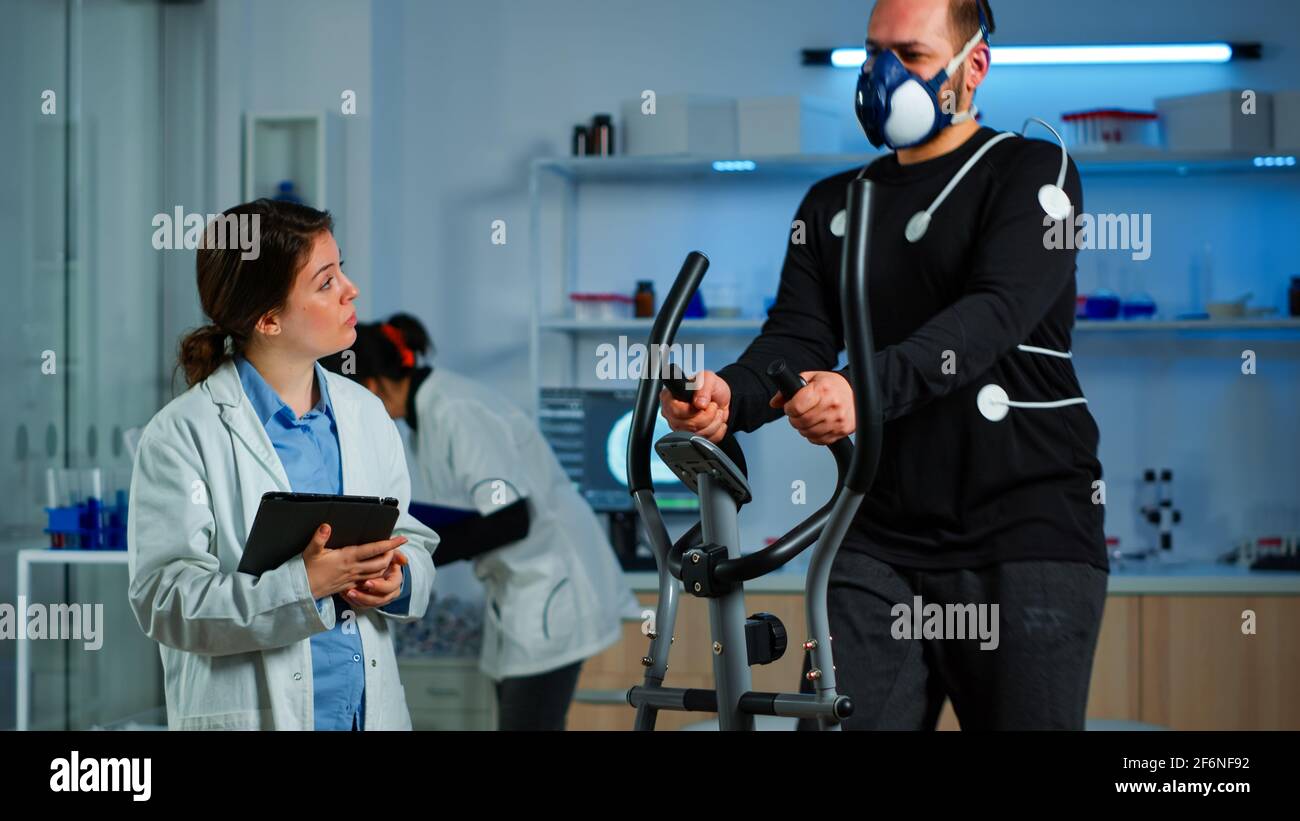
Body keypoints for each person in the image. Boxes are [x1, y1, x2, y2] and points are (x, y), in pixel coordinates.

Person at [660, 0, 1108, 730]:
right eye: (873, 53)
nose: (883, 74)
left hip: (1025, 529)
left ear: (975, 67)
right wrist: (727, 396)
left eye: (913, 54)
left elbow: (992, 314)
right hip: (877, 534)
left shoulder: (1031, 172)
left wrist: (861, 392)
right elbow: (795, 341)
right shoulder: (835, 203)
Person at [127, 199, 438, 730]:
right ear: (269, 319)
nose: (350, 289)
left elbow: (411, 537)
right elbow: (165, 601)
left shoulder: (365, 413)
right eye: (325, 281)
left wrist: (398, 578)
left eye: (341, 268)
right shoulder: (183, 433)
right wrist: (303, 585)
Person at [321, 315, 638, 731]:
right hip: (518, 589)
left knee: (528, 722)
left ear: (374, 385)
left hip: (552, 584)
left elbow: (511, 518)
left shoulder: (455, 410)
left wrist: (407, 560)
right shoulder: (426, 416)